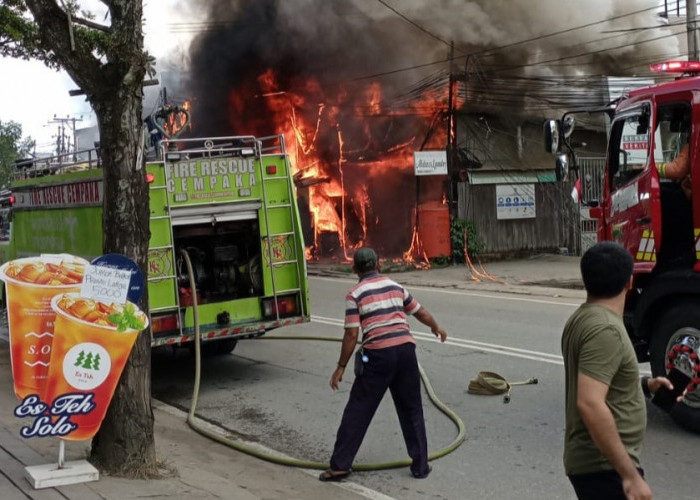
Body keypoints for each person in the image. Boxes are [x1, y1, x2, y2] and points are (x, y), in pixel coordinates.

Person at [319, 247, 447, 482]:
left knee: (358, 409)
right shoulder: (395, 286)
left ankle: (340, 465)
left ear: (354, 268)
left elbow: (351, 335)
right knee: (412, 410)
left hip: (378, 356)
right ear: (379, 264)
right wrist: (436, 327)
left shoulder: (355, 294)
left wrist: (340, 367)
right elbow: (419, 312)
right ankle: (420, 466)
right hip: (406, 352)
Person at [561, 242, 673, 500]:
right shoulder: (605, 330)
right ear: (629, 282)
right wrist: (630, 476)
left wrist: (645, 385)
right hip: (604, 467)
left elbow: (599, 381)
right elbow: (589, 402)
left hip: (598, 466)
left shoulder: (584, 318)